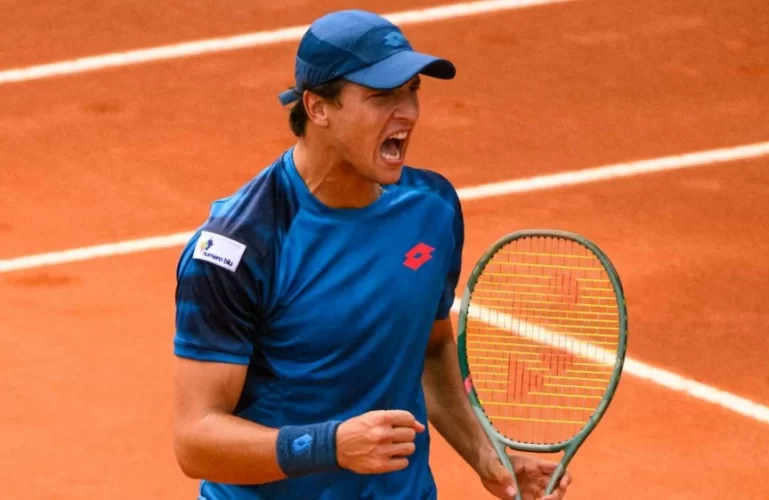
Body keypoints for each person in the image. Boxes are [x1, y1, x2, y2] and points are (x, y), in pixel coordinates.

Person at [172, 9, 572, 500]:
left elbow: (429, 348)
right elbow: (195, 441)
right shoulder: (240, 246)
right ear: (318, 108)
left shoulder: (432, 208)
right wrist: (330, 446)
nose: (408, 112)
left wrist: (486, 453)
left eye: (412, 91)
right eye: (382, 96)